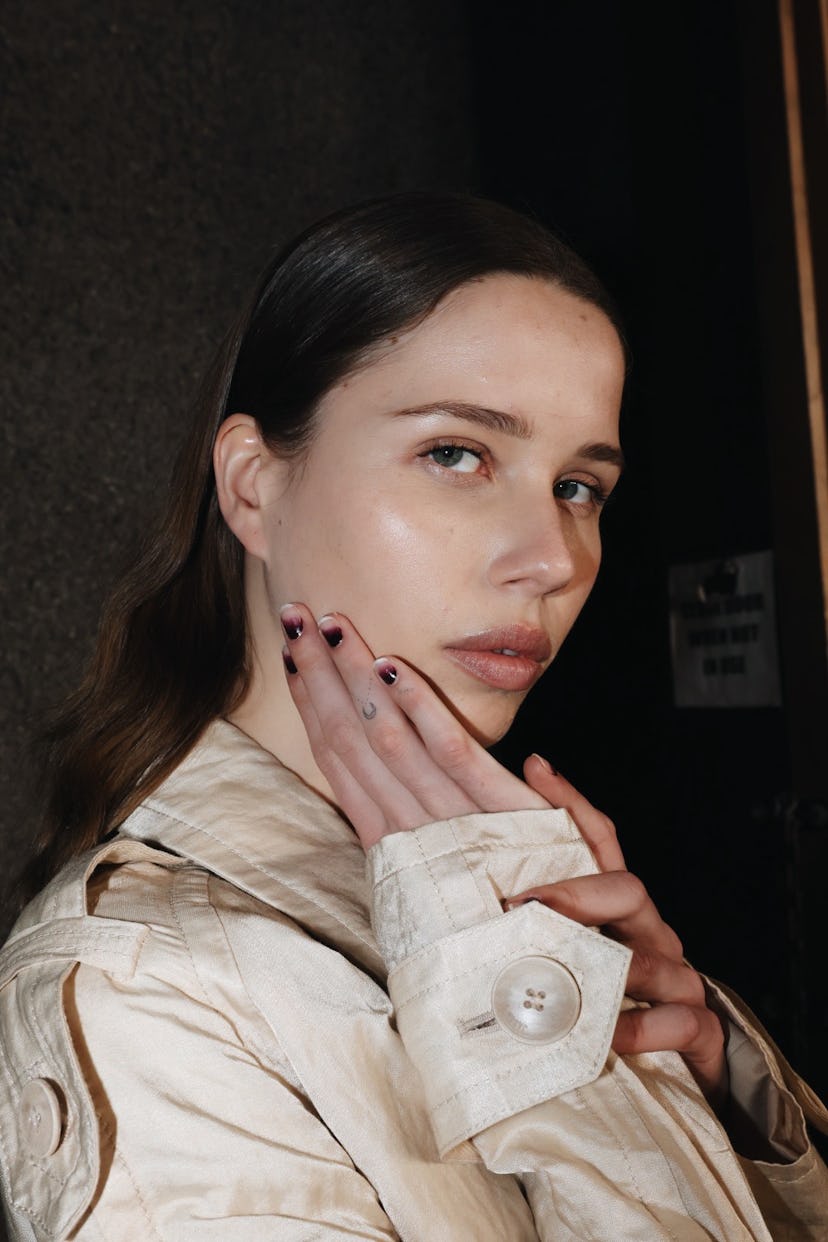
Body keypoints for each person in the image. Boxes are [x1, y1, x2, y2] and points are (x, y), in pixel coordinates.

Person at [0, 192, 826, 1242]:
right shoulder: (146, 993)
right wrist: (540, 1032)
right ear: (253, 488)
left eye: (579, 485)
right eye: (457, 454)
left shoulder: (512, 899)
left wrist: (697, 1077)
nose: (554, 559)